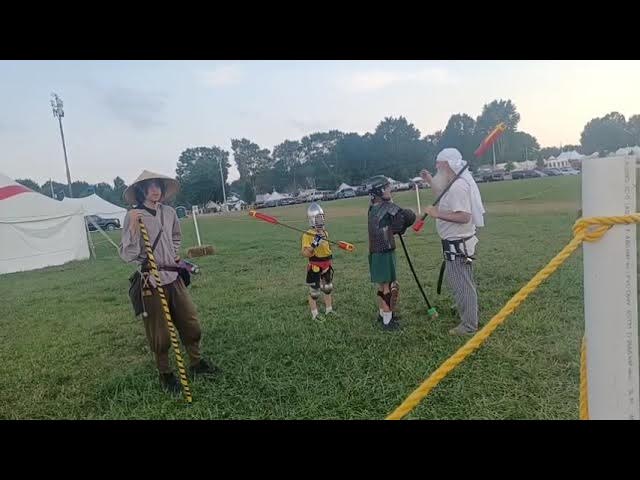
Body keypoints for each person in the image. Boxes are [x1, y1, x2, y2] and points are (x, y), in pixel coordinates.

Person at [119, 170, 220, 393]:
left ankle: (196, 363)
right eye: (150, 186)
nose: (155, 190)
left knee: (190, 321)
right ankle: (165, 374)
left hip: (173, 276)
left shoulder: (170, 212)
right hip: (151, 280)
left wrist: (172, 254)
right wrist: (135, 228)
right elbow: (126, 254)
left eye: (158, 186)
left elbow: (175, 236)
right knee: (160, 333)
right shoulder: (133, 215)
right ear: (142, 190)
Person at [420, 148, 485, 336]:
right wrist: (431, 181)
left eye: (438, 164)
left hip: (458, 244)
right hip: (456, 244)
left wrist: (436, 213)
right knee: (461, 281)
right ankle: (465, 309)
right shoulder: (452, 183)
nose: (436, 167)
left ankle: (469, 325)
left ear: (446, 164)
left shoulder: (457, 186)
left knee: (462, 283)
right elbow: (442, 192)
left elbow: (464, 216)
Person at [366, 176, 416, 330]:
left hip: (375, 252)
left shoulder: (372, 208)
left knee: (383, 285)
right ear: (380, 190)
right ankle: (388, 321)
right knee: (388, 286)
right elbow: (404, 219)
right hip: (385, 251)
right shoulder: (387, 206)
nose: (391, 190)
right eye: (387, 188)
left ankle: (383, 314)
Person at [301, 202, 336, 320]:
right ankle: (314, 314)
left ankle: (329, 309)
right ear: (312, 220)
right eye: (318, 219)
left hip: (326, 264)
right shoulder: (308, 235)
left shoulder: (325, 233)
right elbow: (305, 253)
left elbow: (327, 250)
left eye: (322, 218)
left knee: (327, 288)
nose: (320, 221)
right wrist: (314, 243)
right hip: (315, 266)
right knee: (314, 292)